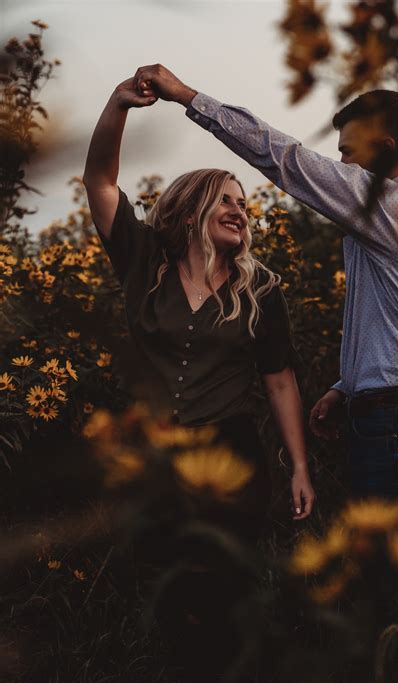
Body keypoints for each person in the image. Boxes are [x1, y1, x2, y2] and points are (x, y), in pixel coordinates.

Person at [130, 66, 398, 576]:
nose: (342, 163)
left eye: (350, 151)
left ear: (385, 144)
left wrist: (187, 97)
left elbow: (286, 159)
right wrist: (346, 385)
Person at [82, 76, 315, 543]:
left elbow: (279, 379)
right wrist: (117, 105)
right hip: (154, 454)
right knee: (159, 586)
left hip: (231, 458)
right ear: (191, 212)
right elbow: (100, 181)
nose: (239, 211)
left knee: (227, 587)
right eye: (224, 200)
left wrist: (300, 468)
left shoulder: (262, 288)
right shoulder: (143, 259)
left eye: (243, 205)